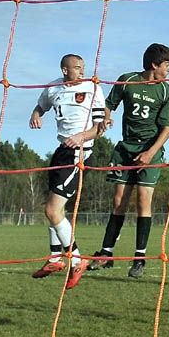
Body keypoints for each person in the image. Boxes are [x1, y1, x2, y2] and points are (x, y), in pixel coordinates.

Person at [87, 43, 169, 279]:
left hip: (151, 151)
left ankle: (140, 258)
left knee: (143, 201)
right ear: (154, 64)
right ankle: (106, 253)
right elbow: (108, 105)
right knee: (118, 201)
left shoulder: (166, 91)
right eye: (167, 66)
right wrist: (106, 118)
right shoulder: (127, 80)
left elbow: (167, 128)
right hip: (126, 149)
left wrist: (149, 153)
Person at [29, 54, 106, 289]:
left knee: (52, 209)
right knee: (55, 209)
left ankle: (76, 260)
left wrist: (80, 137)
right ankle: (55, 259)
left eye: (83, 68)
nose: (82, 72)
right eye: (76, 68)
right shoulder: (53, 88)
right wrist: (36, 114)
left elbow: (99, 128)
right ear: (65, 70)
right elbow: (41, 105)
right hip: (61, 151)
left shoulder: (92, 88)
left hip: (79, 153)